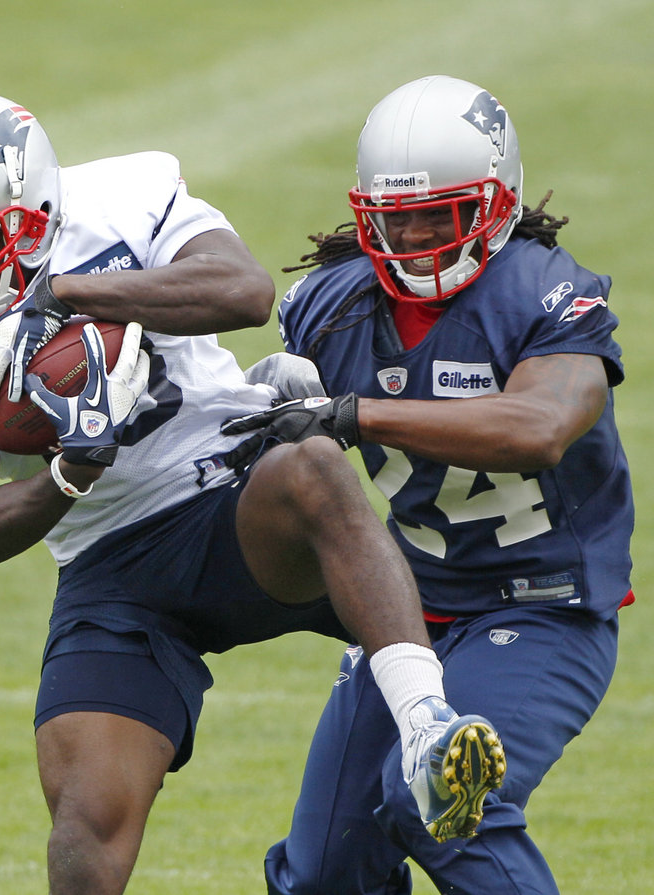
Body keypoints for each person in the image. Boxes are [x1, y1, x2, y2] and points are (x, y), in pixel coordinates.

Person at [0, 90, 505, 895]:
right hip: (110, 558)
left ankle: (424, 729)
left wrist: (71, 294)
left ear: (34, 213)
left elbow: (244, 290)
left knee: (311, 467)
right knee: (85, 827)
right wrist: (71, 471)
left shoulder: (125, 199)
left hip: (231, 494)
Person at [223, 75, 635, 894]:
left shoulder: (544, 293)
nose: (411, 237)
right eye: (394, 217)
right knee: (325, 872)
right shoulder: (329, 304)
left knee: (442, 804)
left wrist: (355, 415)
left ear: (495, 202)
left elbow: (538, 428)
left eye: (436, 215)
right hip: (407, 616)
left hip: (544, 609)